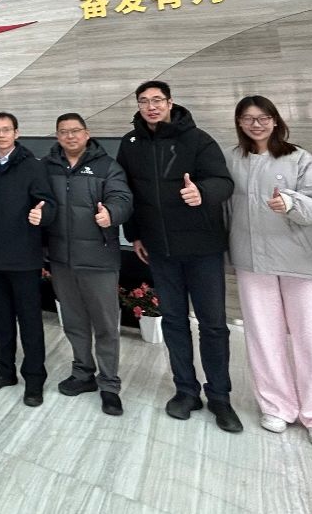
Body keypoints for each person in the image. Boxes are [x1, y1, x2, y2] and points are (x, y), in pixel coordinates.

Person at [116, 80, 240, 432]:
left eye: (157, 100)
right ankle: (185, 390)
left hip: (202, 249)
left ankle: (220, 397)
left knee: (212, 325)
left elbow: (223, 182)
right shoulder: (131, 143)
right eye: (144, 101)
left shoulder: (198, 140)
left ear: (170, 103)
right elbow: (127, 191)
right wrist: (135, 234)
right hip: (160, 249)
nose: (151, 106)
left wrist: (202, 192)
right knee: (173, 321)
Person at [226, 95, 312, 448]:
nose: (256, 124)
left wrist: (291, 203)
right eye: (248, 118)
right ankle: (276, 406)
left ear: (275, 121)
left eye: (263, 117)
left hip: (302, 261)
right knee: (263, 336)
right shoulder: (232, 158)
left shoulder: (298, 158)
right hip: (251, 260)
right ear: (239, 123)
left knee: (311, 338)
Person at [43, 112, 133, 415]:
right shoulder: (47, 167)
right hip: (61, 259)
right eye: (63, 132)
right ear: (57, 136)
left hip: (99, 259)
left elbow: (123, 198)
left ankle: (109, 384)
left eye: (75, 131)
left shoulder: (107, 166)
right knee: (74, 322)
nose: (70, 136)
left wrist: (112, 213)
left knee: (106, 325)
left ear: (87, 133)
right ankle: (83, 373)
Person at [0, 112, 56, 407]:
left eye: (6, 130)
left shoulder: (33, 166)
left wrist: (42, 214)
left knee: (30, 322)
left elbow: (49, 204)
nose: (1, 135)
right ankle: (4, 371)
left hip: (24, 258)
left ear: (16, 133)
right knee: (1, 321)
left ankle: (34, 379)